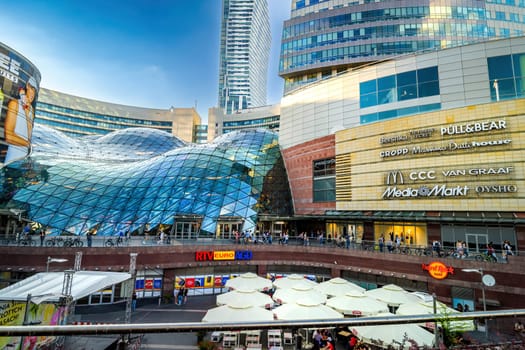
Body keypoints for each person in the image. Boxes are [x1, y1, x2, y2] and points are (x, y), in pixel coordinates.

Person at [4, 77, 37, 164]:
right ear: (27, 86)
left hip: (24, 162)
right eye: (32, 89)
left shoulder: (31, 110)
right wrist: (29, 145)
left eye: (35, 91)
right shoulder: (15, 104)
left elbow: (29, 136)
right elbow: (9, 136)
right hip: (12, 161)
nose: (33, 93)